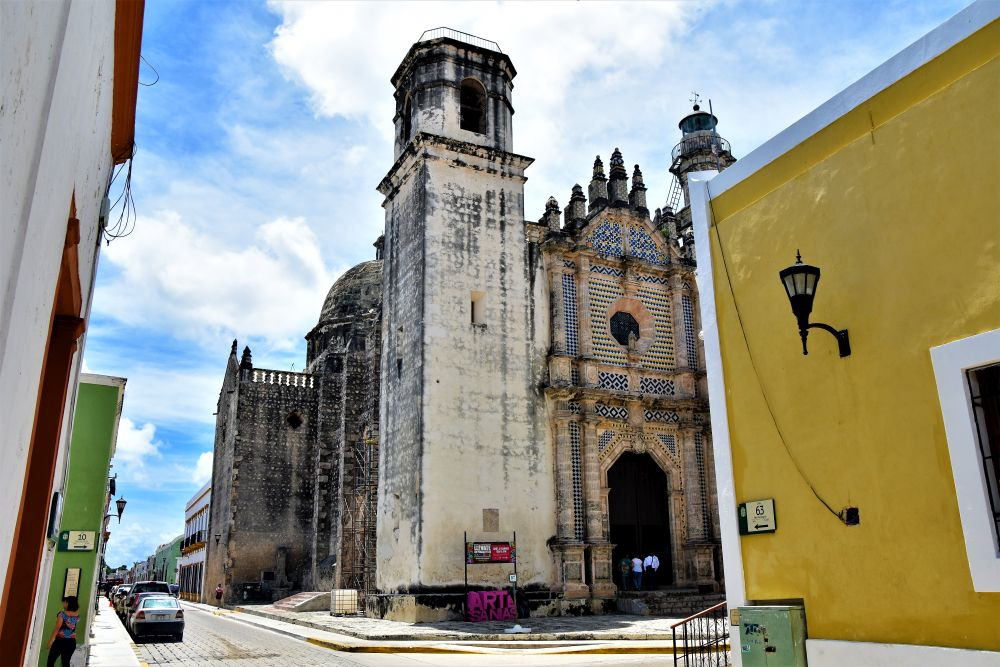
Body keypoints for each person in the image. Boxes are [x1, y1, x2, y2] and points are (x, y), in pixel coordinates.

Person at [45, 596, 79, 667]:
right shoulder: (76, 615)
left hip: (60, 641)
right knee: (65, 663)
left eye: (65, 602)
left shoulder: (62, 614)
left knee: (50, 662)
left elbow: (57, 628)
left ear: (68, 603)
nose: (64, 604)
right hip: (71, 642)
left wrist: (50, 641)